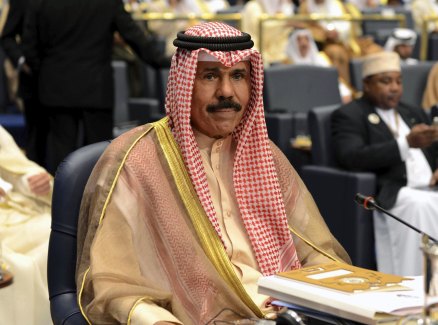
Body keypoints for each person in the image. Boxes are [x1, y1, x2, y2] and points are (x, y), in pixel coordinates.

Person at [76, 22, 350, 324]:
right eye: (209, 76)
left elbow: (316, 250)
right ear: (184, 82)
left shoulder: (263, 153)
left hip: (287, 314)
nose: (227, 92)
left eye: (238, 75)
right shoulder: (137, 159)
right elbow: (113, 283)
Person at [22, 0, 169, 175]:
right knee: (98, 158)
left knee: (61, 155)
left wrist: (46, 72)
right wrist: (163, 61)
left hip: (56, 86)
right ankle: (97, 202)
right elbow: (134, 37)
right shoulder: (108, 3)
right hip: (96, 87)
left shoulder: (41, 3)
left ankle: (61, 200)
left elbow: (29, 46)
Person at [331, 51, 438, 276]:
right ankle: (416, 282)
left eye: (398, 81)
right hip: (395, 192)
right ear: (367, 84)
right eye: (386, 81)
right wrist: (405, 144)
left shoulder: (413, 112)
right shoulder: (350, 114)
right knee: (419, 204)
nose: (394, 88)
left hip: (430, 188)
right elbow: (351, 156)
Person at [0, 124, 52, 324]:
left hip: (14, 210)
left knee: (57, 234)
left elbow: (16, 167)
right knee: (21, 268)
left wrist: (34, 181)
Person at [0, 0, 49, 167]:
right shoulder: (22, 1)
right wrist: (22, 61)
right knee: (36, 141)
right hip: (33, 82)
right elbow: (7, 36)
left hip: (74, 82)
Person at [285, 28, 353, 103]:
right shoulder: (287, 63)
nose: (304, 43)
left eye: (306, 39)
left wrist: (344, 93)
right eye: (299, 40)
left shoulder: (321, 59)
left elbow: (333, 80)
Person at [241, 0, 297, 66]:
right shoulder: (253, 7)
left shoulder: (280, 8)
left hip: (277, 55)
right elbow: (261, 30)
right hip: (255, 51)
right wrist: (283, 24)